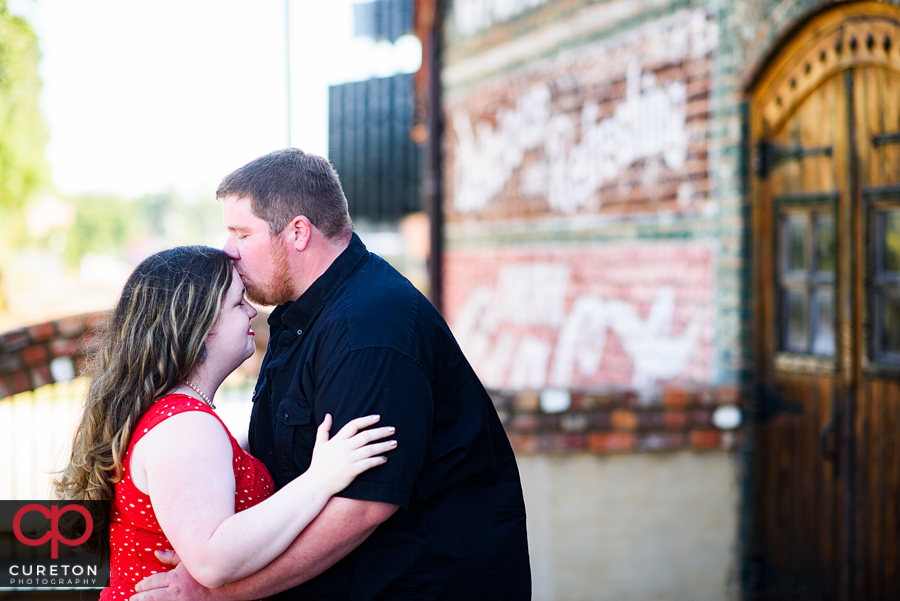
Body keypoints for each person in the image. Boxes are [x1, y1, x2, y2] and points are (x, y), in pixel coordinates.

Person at [134, 148, 531, 600]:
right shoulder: (303, 311)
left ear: (298, 232)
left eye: (242, 232)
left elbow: (361, 509)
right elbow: (280, 448)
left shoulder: (369, 329)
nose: (228, 249)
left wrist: (219, 592)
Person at [55, 246, 396, 600]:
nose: (252, 310)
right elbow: (213, 560)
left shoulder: (175, 418)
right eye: (237, 303)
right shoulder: (184, 427)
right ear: (200, 325)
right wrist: (320, 479)